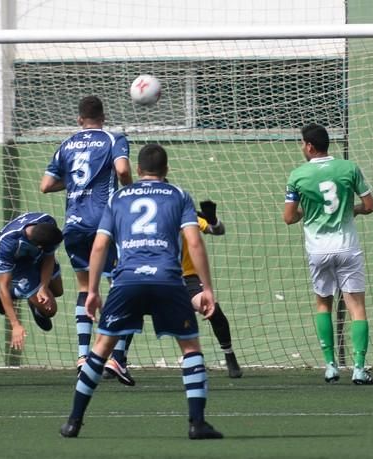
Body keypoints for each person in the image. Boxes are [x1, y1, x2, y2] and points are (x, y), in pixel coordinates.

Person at [60, 143, 223, 440]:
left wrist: (93, 290)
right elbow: (195, 243)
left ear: (137, 170)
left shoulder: (118, 197)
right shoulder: (178, 195)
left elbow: (99, 245)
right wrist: (207, 288)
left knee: (101, 347)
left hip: (126, 281)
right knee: (190, 347)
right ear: (166, 170)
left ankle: (73, 421)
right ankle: (197, 424)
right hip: (168, 280)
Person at [103, 198, 243, 385]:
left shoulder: (183, 214)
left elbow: (216, 230)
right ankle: (118, 359)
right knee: (131, 308)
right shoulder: (141, 221)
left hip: (187, 279)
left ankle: (229, 355)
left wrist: (213, 220)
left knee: (212, 308)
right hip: (157, 276)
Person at [40, 95, 132, 372]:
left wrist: (75, 185)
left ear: (80, 120)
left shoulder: (67, 144)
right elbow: (123, 169)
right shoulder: (113, 138)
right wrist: (128, 192)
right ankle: (116, 357)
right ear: (103, 117)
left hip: (75, 225)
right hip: (106, 223)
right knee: (122, 286)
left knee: (84, 287)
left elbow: (45, 185)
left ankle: (82, 356)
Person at [283, 123, 373, 385]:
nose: (302, 147)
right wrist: (352, 210)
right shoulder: (349, 168)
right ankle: (359, 368)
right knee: (357, 307)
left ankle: (331, 366)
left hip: (318, 249)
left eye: (302, 143)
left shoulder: (298, 175)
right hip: (347, 247)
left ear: (310, 146)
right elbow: (370, 206)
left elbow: (289, 217)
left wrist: (308, 213)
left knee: (323, 303)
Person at [0, 212, 64, 351]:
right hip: (20, 266)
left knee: (58, 290)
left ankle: (27, 297)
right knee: (50, 310)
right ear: (40, 246)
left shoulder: (47, 222)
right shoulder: (8, 243)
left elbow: (49, 258)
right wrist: (15, 324)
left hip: (37, 257)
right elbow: (3, 285)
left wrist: (43, 287)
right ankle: (6, 295)